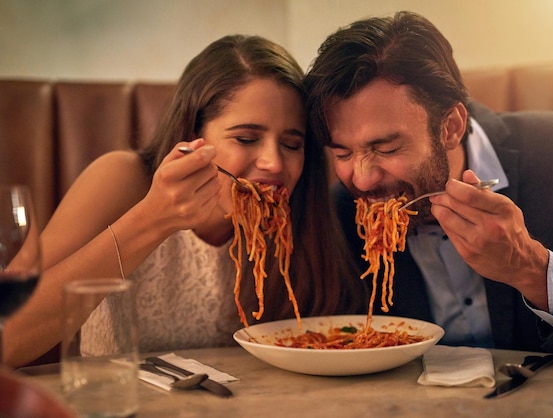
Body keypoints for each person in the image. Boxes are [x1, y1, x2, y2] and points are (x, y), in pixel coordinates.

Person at [4, 34, 361, 368]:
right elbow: (9, 338)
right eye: (247, 138)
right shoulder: (124, 179)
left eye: (291, 144)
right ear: (193, 139)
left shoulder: (302, 213)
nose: (274, 162)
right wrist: (154, 219)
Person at [304, 11, 553, 363]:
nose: (362, 179)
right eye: (342, 152)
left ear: (451, 127)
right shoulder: (339, 212)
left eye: (386, 148)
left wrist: (529, 268)